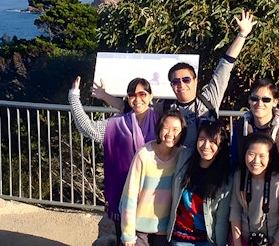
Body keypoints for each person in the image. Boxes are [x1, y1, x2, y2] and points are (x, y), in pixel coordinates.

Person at [101, 10, 257, 147]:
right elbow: (131, 107)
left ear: (196, 81)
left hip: (206, 162)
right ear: (171, 85)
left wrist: (242, 34)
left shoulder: (209, 98)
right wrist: (103, 95)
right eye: (175, 81)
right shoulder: (166, 107)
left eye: (186, 79)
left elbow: (225, 65)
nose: (181, 84)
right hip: (178, 167)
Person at [68, 76, 160, 246]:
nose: (137, 99)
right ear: (127, 98)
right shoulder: (116, 124)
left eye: (142, 94)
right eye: (132, 95)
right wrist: (74, 96)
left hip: (155, 199)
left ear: (151, 96)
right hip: (124, 198)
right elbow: (88, 128)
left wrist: (105, 96)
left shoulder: (161, 121)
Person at [118, 108, 186, 246]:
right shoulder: (144, 155)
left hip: (165, 229)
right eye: (166, 128)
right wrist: (127, 233)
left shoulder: (183, 156)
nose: (170, 134)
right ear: (159, 128)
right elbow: (129, 196)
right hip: (139, 228)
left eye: (176, 129)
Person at [167, 120, 232, 246]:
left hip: (209, 239)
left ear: (221, 145)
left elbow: (222, 217)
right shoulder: (185, 158)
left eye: (213, 141)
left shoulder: (225, 176)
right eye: (202, 139)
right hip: (181, 234)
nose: (206, 145)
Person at [230, 79, 279, 174]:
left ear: (275, 102)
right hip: (247, 183)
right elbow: (235, 161)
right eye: (254, 99)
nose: (259, 104)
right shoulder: (240, 127)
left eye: (266, 100)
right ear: (249, 100)